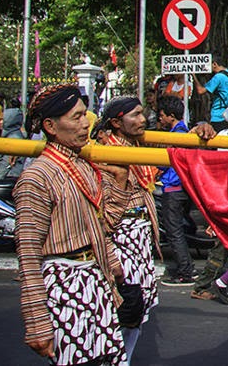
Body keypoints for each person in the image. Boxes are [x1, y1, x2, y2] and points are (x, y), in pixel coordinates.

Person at [13, 84, 129, 365]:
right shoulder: (37, 177)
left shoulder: (84, 166)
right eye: (76, 117)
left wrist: (120, 179)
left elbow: (104, 225)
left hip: (95, 281)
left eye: (84, 115)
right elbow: (28, 256)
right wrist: (37, 321)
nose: (85, 123)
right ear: (50, 126)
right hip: (65, 287)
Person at [93, 97, 160, 364]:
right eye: (136, 115)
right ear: (116, 123)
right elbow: (101, 215)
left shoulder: (136, 147)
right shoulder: (106, 154)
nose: (143, 120)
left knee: (134, 313)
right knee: (122, 311)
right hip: (120, 239)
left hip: (139, 238)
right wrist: (110, 256)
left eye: (143, 113)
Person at [155, 95, 196, 287]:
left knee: (174, 231)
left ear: (171, 116)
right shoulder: (180, 132)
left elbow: (167, 162)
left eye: (162, 115)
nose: (160, 118)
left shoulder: (178, 135)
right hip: (179, 187)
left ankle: (185, 271)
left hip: (174, 187)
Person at [193, 59, 228, 132]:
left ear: (214, 64)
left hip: (218, 115)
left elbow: (201, 90)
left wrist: (193, 76)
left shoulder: (218, 77)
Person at [0, 98, 26, 178]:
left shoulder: (14, 139)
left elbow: (5, 165)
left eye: (2, 119)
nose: (0, 121)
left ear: (9, 120)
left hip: (8, 178)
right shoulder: (9, 135)